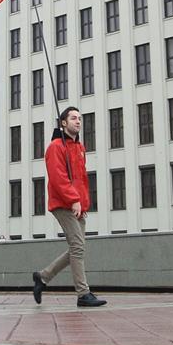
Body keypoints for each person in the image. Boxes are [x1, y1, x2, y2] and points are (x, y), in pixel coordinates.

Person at [32, 107, 107, 308]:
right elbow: (58, 178)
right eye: (73, 118)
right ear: (63, 123)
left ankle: (42, 277)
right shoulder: (56, 147)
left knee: (77, 247)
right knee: (78, 247)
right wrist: (73, 199)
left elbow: (81, 179)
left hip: (77, 205)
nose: (78, 121)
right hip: (63, 204)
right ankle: (83, 293)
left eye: (80, 118)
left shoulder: (79, 148)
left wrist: (82, 203)